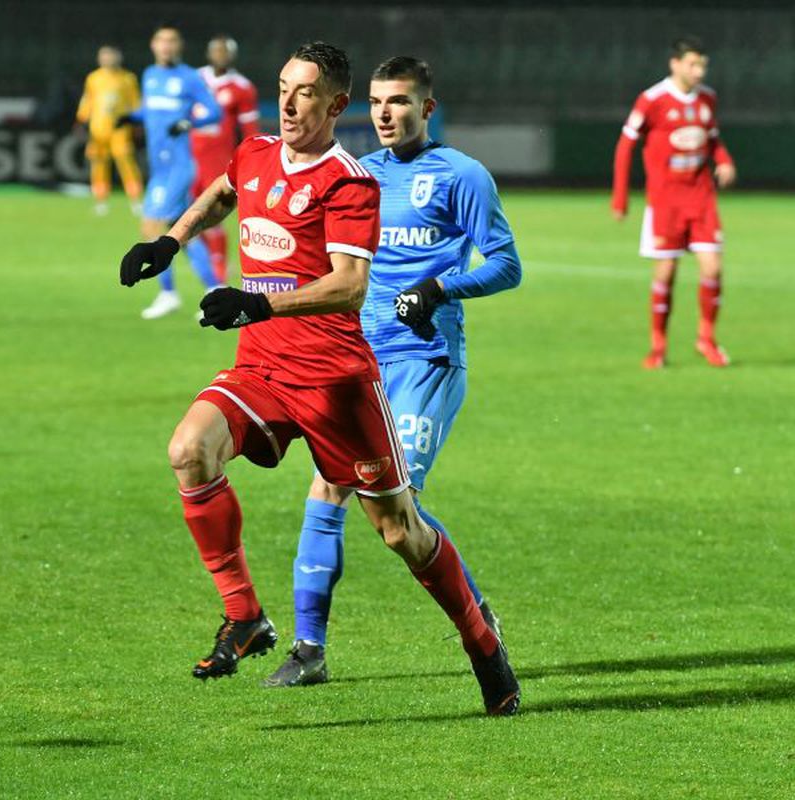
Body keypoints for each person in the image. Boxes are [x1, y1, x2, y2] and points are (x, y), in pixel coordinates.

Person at [119, 41, 520, 716]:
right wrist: (170, 242)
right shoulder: (254, 152)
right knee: (189, 450)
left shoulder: (348, 182)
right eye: (282, 86)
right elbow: (224, 192)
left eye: (304, 91)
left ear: (334, 105)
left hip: (336, 380)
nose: (288, 100)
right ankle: (248, 618)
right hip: (264, 368)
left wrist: (257, 302)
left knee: (399, 529)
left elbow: (349, 285)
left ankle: (482, 642)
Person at [263, 56, 522, 688]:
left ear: (426, 109)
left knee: (394, 513)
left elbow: (507, 264)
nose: (384, 113)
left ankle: (475, 614)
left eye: (399, 102)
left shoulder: (462, 176)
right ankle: (308, 649)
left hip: (424, 362)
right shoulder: (358, 177)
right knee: (326, 491)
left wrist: (438, 290)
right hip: (355, 363)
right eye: (376, 102)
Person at [612, 35, 736, 369]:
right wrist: (621, 196)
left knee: (713, 267)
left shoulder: (707, 99)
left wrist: (723, 160)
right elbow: (626, 146)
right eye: (693, 64)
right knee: (666, 273)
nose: (699, 71)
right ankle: (658, 345)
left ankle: (706, 338)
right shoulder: (652, 99)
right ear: (676, 64)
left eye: (703, 65)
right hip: (665, 202)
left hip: (701, 198)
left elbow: (712, 139)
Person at [127, 25, 223, 320]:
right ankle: (214, 289)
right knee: (184, 233)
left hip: (179, 167)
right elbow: (149, 111)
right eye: (161, 41)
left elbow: (215, 111)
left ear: (178, 46)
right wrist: (127, 117)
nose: (166, 46)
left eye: (171, 42)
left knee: (152, 226)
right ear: (153, 45)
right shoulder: (150, 75)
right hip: (159, 167)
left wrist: (188, 123)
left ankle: (168, 293)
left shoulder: (189, 77)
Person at [190, 35, 260, 284]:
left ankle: (218, 276)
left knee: (211, 216)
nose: (220, 55)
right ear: (209, 53)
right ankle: (206, 273)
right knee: (182, 217)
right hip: (188, 161)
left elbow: (250, 130)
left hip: (217, 162)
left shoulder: (242, 87)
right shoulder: (194, 79)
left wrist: (254, 162)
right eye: (216, 50)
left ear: (232, 55)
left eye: (224, 51)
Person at [74, 46, 143, 216]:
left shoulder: (128, 78)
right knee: (99, 164)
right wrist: (81, 119)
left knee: (126, 162)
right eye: (104, 56)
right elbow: (88, 100)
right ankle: (100, 201)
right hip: (98, 128)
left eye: (110, 56)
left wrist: (138, 123)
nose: (107, 59)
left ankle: (136, 200)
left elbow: (136, 103)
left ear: (118, 57)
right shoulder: (94, 78)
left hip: (120, 129)